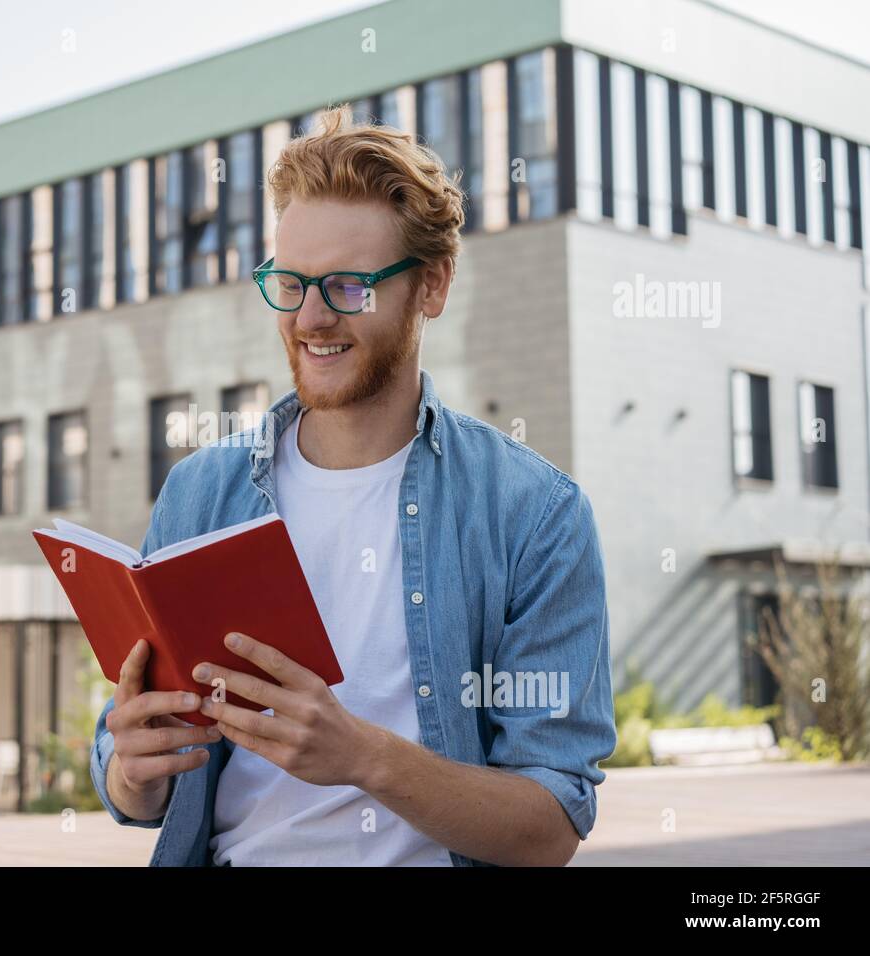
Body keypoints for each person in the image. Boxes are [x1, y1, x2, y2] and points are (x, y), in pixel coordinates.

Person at [89, 104, 616, 866]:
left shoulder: (534, 515)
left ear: (430, 286)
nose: (310, 318)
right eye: (290, 283)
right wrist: (133, 771)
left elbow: (550, 827)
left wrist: (362, 757)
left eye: (346, 287)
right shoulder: (199, 494)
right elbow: (138, 775)